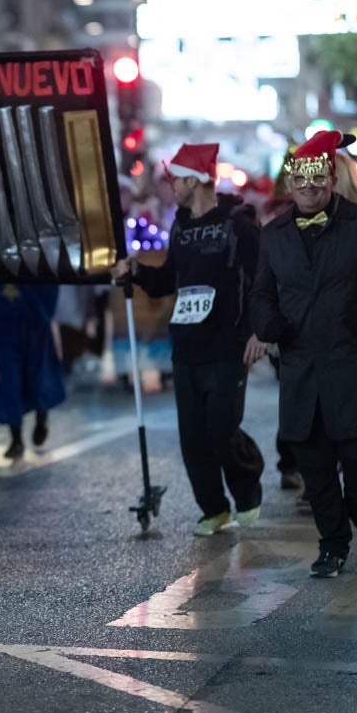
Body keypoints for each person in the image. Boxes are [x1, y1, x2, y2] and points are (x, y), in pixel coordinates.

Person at [250, 130, 357, 578]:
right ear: (289, 185)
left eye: (316, 179)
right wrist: (266, 325)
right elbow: (261, 292)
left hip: (354, 364)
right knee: (315, 467)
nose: (308, 187)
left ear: (329, 178)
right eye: (299, 180)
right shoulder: (273, 235)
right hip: (301, 367)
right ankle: (331, 544)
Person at [111, 143, 266, 536]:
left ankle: (247, 486)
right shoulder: (180, 226)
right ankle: (213, 508)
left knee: (222, 427)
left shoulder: (238, 223)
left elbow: (261, 280)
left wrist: (257, 330)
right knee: (193, 435)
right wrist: (137, 272)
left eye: (175, 178)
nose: (170, 186)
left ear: (195, 179)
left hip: (227, 344)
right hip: (188, 345)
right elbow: (168, 281)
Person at [0, 283, 65, 459]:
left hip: (35, 324)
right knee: (8, 383)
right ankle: (16, 438)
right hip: (4, 329)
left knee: (39, 378)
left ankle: (42, 417)